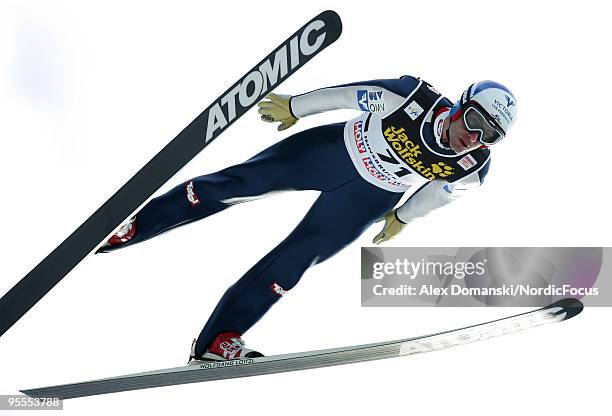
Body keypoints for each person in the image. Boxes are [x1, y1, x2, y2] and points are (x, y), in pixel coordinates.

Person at [97, 76, 518, 362]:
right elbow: (349, 94)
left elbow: (438, 195)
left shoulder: (472, 167)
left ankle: (217, 341)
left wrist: (403, 218)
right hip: (329, 152)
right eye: (476, 121)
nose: (475, 137)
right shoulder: (412, 98)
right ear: (463, 104)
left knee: (293, 265)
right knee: (233, 185)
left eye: (489, 136)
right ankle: (130, 227)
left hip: (364, 200)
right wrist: (297, 107)